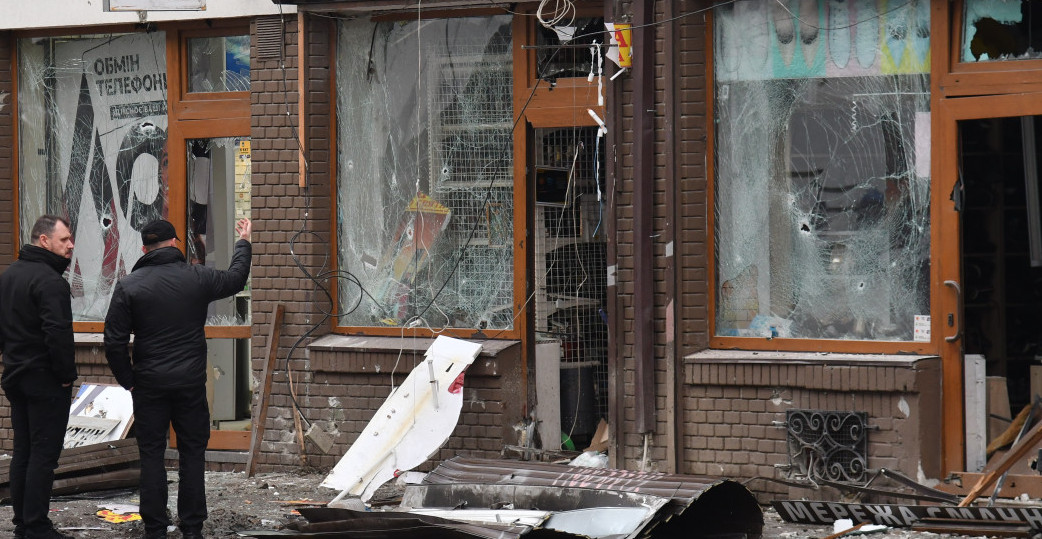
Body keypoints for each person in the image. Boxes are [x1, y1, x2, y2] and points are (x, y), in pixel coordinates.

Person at [104, 218, 252, 539]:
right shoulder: (196, 277)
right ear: (174, 244)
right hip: (189, 384)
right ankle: (193, 528)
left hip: (149, 385)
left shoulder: (129, 285)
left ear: (143, 249)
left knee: (152, 455)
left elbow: (113, 340)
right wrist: (243, 242)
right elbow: (236, 279)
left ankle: (155, 529)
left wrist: (129, 379)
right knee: (193, 452)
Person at [0, 215, 77, 539]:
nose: (71, 245)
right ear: (43, 240)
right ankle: (36, 525)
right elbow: (57, 333)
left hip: (16, 375)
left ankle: (23, 522)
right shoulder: (50, 281)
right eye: (64, 240)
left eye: (71, 239)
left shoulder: (10, 276)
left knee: (24, 451)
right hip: (44, 378)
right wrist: (65, 376)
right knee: (44, 455)